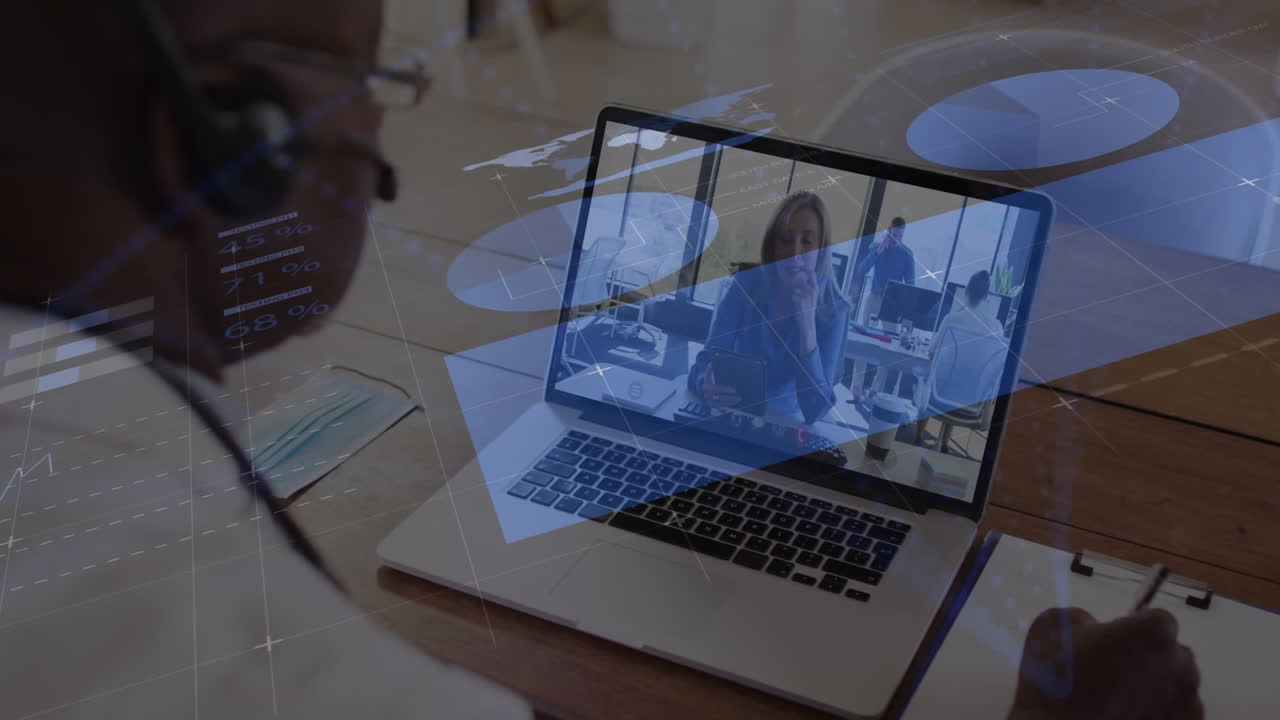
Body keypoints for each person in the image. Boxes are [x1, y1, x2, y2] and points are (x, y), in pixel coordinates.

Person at [0, 2, 1202, 719]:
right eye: (371, 82)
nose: (377, 133)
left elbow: (825, 399)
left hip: (812, 471)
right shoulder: (174, 614)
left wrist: (802, 389)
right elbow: (714, 391)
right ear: (233, 142)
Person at [689, 191, 850, 425]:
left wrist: (807, 326)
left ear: (822, 249)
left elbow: (816, 410)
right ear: (773, 245)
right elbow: (705, 361)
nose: (795, 255)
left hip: (786, 424)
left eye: (806, 241)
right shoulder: (747, 283)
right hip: (732, 414)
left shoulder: (836, 310)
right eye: (785, 240)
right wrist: (704, 381)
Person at [849, 216, 916, 404]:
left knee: (888, 349)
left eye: (900, 236)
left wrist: (905, 310)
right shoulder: (877, 247)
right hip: (873, 298)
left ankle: (874, 392)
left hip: (892, 304)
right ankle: (856, 391)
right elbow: (861, 270)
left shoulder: (907, 254)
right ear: (888, 232)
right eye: (894, 235)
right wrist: (878, 252)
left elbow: (911, 284)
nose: (896, 239)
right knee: (862, 342)